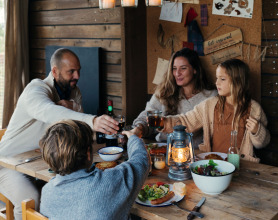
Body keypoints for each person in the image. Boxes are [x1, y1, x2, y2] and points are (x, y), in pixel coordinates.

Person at [0, 48, 119, 219]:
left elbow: (76, 131)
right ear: (55, 71)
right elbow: (50, 112)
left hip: (39, 163)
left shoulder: (74, 91)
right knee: (30, 199)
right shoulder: (35, 89)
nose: (77, 76)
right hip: (6, 163)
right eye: (71, 71)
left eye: (78, 70)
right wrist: (93, 121)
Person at [160, 59, 270, 162]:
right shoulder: (209, 105)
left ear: (238, 81)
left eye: (222, 79)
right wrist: (163, 122)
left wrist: (257, 131)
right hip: (214, 164)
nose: (217, 83)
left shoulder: (254, 109)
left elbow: (262, 143)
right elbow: (186, 121)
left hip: (241, 166)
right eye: (217, 78)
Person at [39, 120, 149, 220]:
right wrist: (133, 138)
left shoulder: (47, 192)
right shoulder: (109, 182)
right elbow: (141, 161)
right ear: (88, 153)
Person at [132, 48, 217, 147]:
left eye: (183, 68)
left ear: (195, 69)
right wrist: (139, 127)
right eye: (174, 68)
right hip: (162, 148)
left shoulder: (210, 96)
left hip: (194, 153)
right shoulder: (164, 92)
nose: (177, 73)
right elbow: (148, 115)